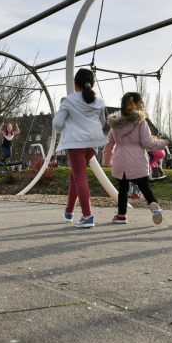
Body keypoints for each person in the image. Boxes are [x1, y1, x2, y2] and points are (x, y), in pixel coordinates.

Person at [52, 68, 107, 228]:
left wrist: (68, 129)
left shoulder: (68, 101)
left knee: (80, 177)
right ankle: (69, 211)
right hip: (92, 144)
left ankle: (87, 216)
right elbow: (102, 123)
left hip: (75, 144)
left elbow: (57, 124)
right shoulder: (99, 102)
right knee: (75, 176)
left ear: (76, 83)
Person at [102, 92, 167, 225]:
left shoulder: (115, 124)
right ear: (136, 105)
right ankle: (155, 208)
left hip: (120, 159)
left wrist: (106, 161)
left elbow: (109, 144)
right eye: (141, 102)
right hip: (137, 159)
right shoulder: (140, 122)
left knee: (123, 189)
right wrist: (162, 143)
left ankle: (121, 215)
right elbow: (147, 143)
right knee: (144, 187)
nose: (143, 105)